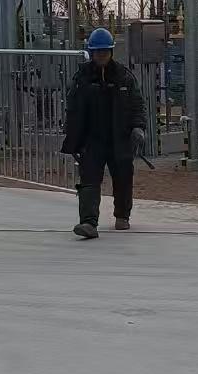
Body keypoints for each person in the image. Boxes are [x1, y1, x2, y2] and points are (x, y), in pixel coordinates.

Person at [61, 28, 147, 239]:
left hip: (120, 137)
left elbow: (137, 105)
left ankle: (122, 216)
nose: (101, 55)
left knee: (123, 177)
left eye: (105, 51)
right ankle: (88, 222)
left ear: (111, 52)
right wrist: (72, 138)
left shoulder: (124, 77)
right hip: (92, 139)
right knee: (89, 180)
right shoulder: (82, 78)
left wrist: (138, 127)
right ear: (91, 52)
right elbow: (73, 109)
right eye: (97, 52)